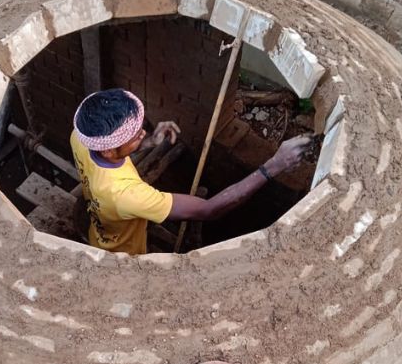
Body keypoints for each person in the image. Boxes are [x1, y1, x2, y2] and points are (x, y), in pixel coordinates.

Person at [68, 88, 310, 255]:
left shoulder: (81, 138)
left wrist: (149, 141)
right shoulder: (127, 195)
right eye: (134, 136)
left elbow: (114, 153)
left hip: (99, 230)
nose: (141, 133)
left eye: (140, 129)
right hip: (124, 253)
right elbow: (209, 209)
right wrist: (274, 165)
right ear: (109, 150)